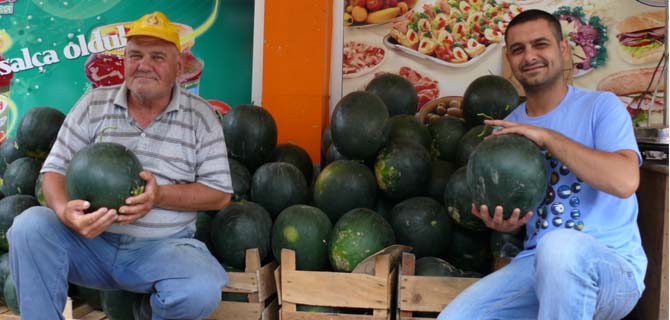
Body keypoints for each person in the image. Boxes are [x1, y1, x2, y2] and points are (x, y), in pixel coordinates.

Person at [8, 12, 233, 320]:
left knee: (201, 287)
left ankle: (145, 312)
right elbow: (54, 170)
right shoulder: (92, 104)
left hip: (160, 251)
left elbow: (219, 194)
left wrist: (159, 196)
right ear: (124, 61)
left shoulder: (202, 117)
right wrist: (64, 212)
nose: (144, 64)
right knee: (29, 226)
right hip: (90, 245)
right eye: (135, 55)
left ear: (179, 66)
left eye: (157, 56)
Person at [438, 9, 646, 320]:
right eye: (518, 49)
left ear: (562, 50)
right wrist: (503, 220)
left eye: (541, 44)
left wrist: (547, 137)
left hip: (612, 268)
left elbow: (625, 181)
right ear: (509, 58)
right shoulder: (505, 128)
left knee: (559, 248)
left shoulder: (601, 107)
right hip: (535, 266)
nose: (530, 56)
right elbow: (508, 204)